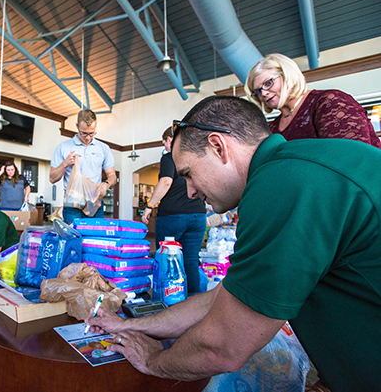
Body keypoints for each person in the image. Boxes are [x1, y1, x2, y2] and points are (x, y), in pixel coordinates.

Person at [88, 96, 381, 392]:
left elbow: (224, 346)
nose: (189, 192)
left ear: (218, 147)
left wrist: (154, 361)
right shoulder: (294, 166)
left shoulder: (281, 185)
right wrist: (130, 325)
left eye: (188, 174)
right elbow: (219, 299)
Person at [245, 53, 381, 148]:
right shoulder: (272, 128)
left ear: (287, 75)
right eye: (257, 91)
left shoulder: (329, 102)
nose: (263, 93)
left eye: (268, 83)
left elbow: (352, 158)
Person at [141, 126, 206, 295]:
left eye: (164, 143)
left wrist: (149, 206)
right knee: (191, 260)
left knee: (166, 259)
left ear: (169, 140)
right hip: (198, 214)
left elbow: (165, 182)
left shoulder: (169, 158)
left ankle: (167, 299)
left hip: (172, 216)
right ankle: (192, 302)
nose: (165, 147)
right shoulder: (197, 158)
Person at [50, 109, 116, 223]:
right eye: (84, 133)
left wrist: (106, 184)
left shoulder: (103, 148)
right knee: (74, 238)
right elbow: (52, 178)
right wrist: (65, 164)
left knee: (96, 239)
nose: (88, 138)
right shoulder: (63, 147)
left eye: (92, 133)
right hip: (73, 205)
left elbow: (112, 176)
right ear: (77, 126)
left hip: (94, 203)